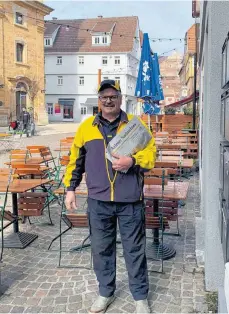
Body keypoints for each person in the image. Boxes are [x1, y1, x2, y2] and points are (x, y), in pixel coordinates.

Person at [64, 79, 156, 314]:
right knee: (101, 249)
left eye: (113, 96)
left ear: (120, 99)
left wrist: (133, 161)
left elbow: (151, 155)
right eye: (104, 96)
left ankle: (140, 297)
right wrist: (70, 188)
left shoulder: (135, 126)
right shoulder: (86, 128)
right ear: (99, 101)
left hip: (130, 201)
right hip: (98, 201)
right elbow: (76, 161)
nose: (108, 100)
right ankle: (105, 292)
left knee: (134, 250)